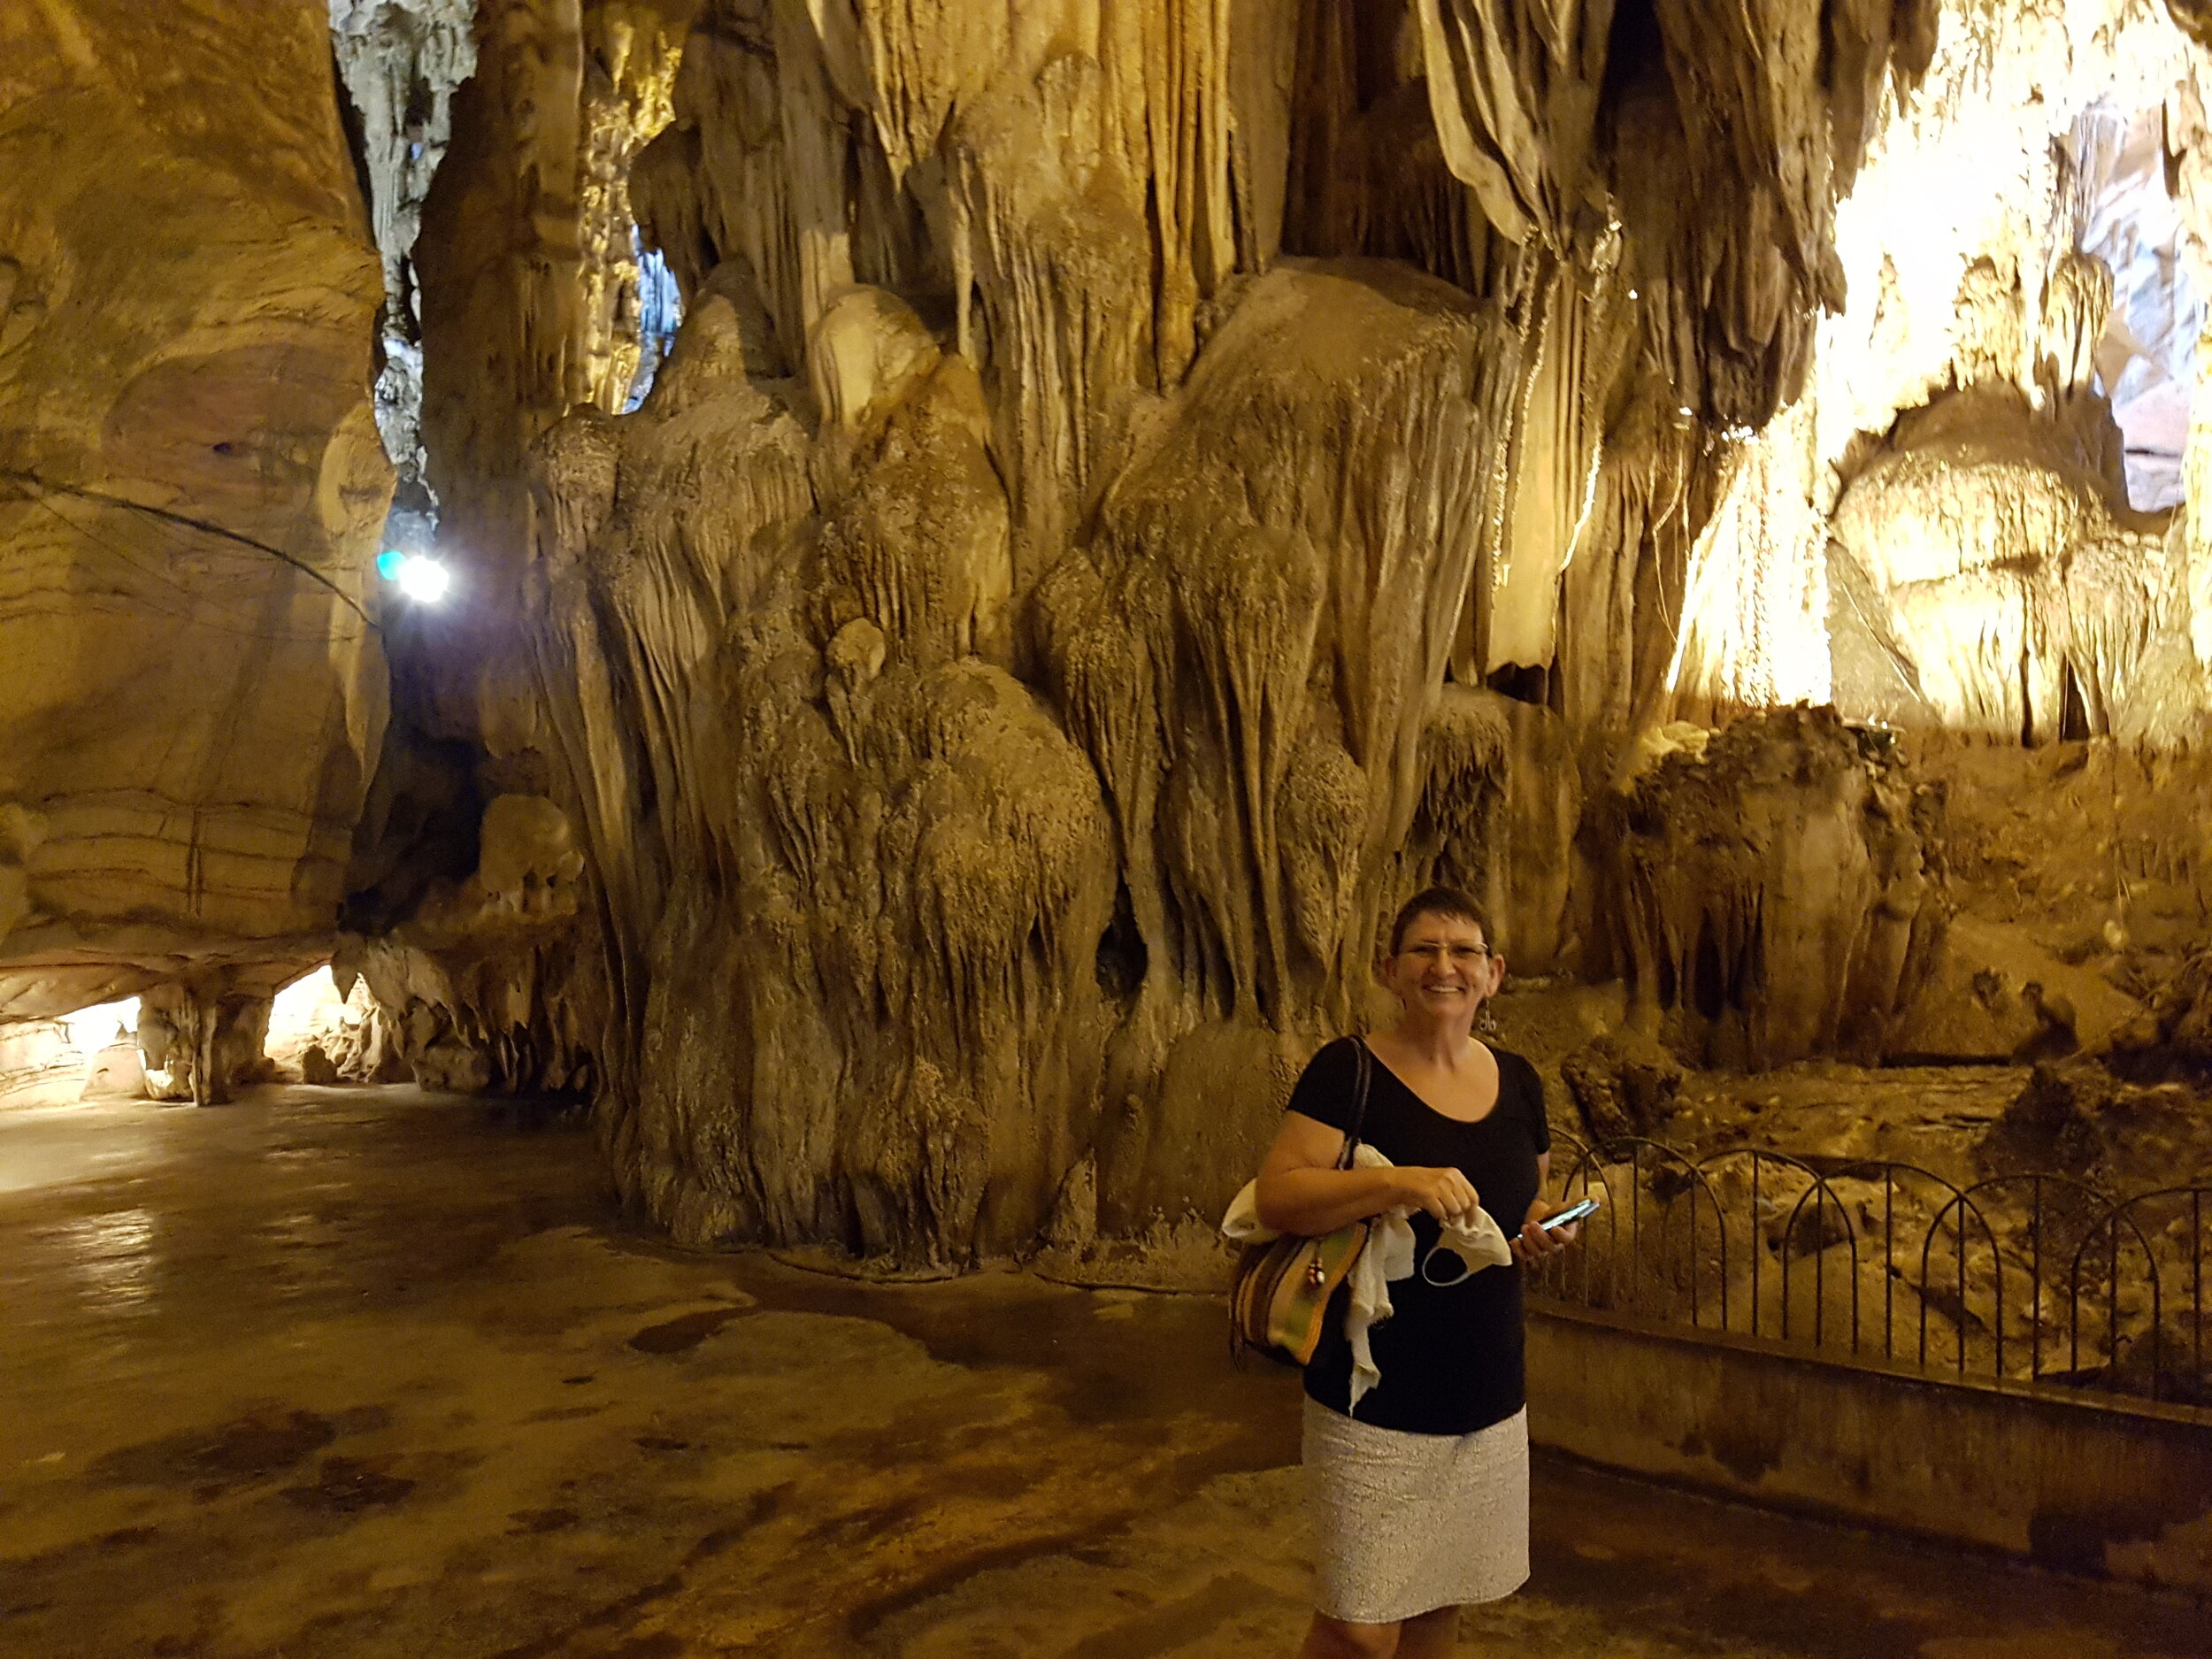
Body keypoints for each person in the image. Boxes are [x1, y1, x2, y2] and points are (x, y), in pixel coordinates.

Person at [1254, 886, 1580, 1659]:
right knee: (1359, 1625)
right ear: (1389, 969)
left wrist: (1538, 1224)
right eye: (1424, 949)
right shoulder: (1349, 1071)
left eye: (1464, 950)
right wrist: (1400, 1180)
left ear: (1494, 973)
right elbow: (1280, 1195)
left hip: (1486, 1391)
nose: (1445, 965)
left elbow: (1523, 1192)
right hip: (1372, 1397)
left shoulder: (1520, 1082)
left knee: (1438, 1603)